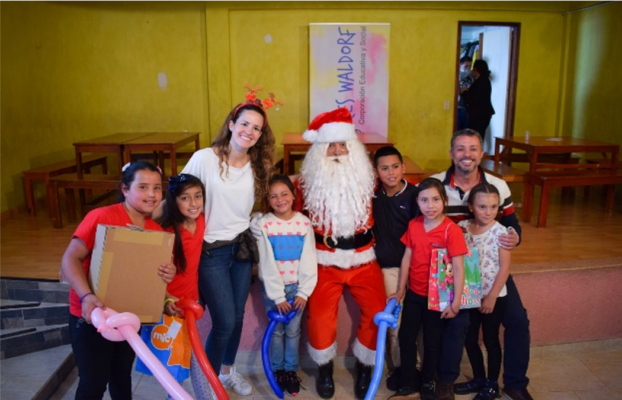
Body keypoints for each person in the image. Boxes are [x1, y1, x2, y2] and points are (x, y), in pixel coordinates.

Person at [180, 96, 275, 396]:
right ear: (232, 124)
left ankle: (227, 372)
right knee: (223, 321)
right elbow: (179, 194)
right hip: (211, 250)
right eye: (244, 123)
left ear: (261, 134)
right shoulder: (205, 158)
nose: (249, 131)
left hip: (241, 248)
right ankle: (206, 382)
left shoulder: (258, 164)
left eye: (256, 128)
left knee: (237, 318)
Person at [61, 161, 176, 400]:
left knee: (121, 377)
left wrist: (165, 292)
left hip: (129, 319)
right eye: (143, 187)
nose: (152, 194)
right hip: (92, 317)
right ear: (125, 189)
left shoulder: (156, 232)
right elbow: (70, 259)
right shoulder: (101, 217)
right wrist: (86, 296)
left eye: (157, 188)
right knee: (93, 385)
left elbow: (143, 276)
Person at [432, 129, 533, 400]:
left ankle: (514, 383)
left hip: (492, 273)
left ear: (482, 153)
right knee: (457, 324)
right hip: (458, 272)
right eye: (461, 148)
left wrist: (515, 237)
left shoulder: (498, 185)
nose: (467, 154)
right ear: (451, 153)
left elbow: (511, 225)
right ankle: (446, 381)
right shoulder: (437, 184)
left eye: (473, 148)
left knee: (518, 321)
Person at [297, 107, 386, 399]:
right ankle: (324, 369)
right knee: (319, 317)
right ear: (318, 152)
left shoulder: (369, 179)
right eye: (330, 145)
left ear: (353, 148)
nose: (337, 151)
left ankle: (364, 365)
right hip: (324, 259)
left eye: (342, 145)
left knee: (377, 312)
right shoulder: (305, 185)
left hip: (364, 258)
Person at [387, 177, 469, 400]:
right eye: (424, 200)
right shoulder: (414, 225)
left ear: (444, 200)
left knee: (432, 342)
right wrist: (400, 290)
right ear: (417, 202)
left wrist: (455, 302)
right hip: (414, 294)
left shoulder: (451, 230)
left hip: (437, 299)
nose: (430, 205)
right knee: (406, 338)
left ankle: (427, 382)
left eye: (435, 199)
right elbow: (407, 257)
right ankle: (408, 383)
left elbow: (459, 268)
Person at [156, 173, 216, 400]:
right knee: (179, 361)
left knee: (189, 356)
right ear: (173, 201)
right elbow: (153, 272)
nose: (193, 203)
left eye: (197, 196)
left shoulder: (200, 221)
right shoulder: (168, 233)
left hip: (191, 302)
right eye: (185, 198)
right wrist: (165, 298)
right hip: (172, 306)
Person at [257, 174, 318, 396]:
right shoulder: (264, 224)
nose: (279, 199)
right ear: (268, 200)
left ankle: (291, 370)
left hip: (297, 290)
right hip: (274, 291)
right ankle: (278, 371)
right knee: (276, 332)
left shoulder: (304, 223)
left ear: (293, 196)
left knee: (293, 332)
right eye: (273, 196)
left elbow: (309, 259)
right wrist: (278, 296)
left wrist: (303, 292)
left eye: (284, 194)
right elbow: (266, 262)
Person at [455, 184, 511, 400]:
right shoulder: (462, 228)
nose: (488, 212)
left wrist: (491, 296)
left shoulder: (501, 232)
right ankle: (478, 378)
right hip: (469, 294)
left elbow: (505, 268)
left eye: (493, 206)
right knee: (470, 339)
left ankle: (492, 384)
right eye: (482, 207)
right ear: (471, 206)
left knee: (490, 340)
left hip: (493, 296)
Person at [371, 146, 420, 391]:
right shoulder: (373, 196)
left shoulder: (416, 195)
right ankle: (400, 369)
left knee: (420, 322)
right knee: (394, 323)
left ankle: (420, 369)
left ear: (403, 167)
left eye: (395, 167)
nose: (390, 172)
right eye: (384, 168)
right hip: (389, 269)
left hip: (418, 268)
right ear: (376, 171)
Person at [461, 59, 495, 141]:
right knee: (477, 137)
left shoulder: (481, 82)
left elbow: (472, 98)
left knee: (475, 137)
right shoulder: (484, 80)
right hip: (482, 114)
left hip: (479, 115)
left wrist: (464, 92)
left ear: (476, 69)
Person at [457, 56, 474, 131]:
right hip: (458, 108)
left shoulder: (471, 77)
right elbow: (461, 75)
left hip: (468, 109)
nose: (468, 68)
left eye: (469, 66)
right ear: (460, 66)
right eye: (466, 66)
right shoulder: (457, 75)